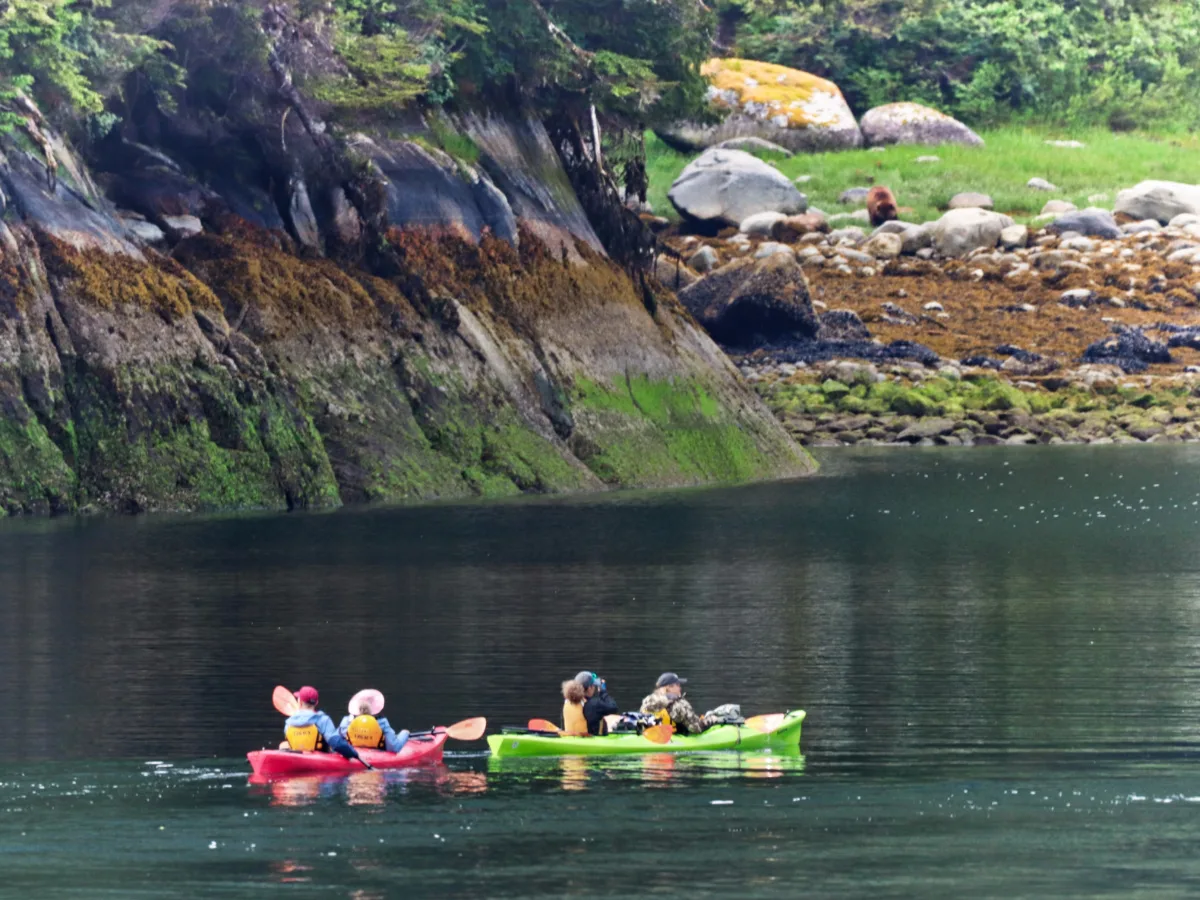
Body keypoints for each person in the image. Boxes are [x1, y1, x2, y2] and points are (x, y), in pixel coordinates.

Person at [281, 686, 369, 766]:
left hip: (297, 758)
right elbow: (336, 743)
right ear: (316, 703)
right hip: (320, 761)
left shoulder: (289, 722)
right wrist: (354, 753)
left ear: (299, 702)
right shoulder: (323, 720)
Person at [338, 688, 411, 753]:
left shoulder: (346, 721)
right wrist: (405, 733)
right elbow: (394, 747)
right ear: (373, 707)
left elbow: (336, 740)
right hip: (377, 752)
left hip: (352, 750)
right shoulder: (382, 723)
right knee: (404, 732)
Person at [640, 672, 710, 735]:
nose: (680, 688)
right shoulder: (679, 704)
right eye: (678, 685)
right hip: (671, 739)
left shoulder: (647, 701)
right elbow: (696, 728)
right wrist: (710, 721)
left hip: (651, 735)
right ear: (669, 687)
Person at [575, 671, 619, 736]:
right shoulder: (595, 704)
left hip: (574, 736)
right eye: (594, 686)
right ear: (589, 688)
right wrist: (603, 692)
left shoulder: (569, 701)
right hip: (595, 740)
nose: (594, 688)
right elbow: (614, 708)